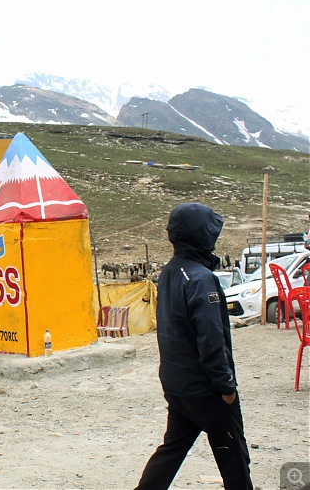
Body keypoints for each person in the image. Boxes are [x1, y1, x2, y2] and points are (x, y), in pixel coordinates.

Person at [135, 203, 252, 490]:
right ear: (203, 235)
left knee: (171, 450)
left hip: (177, 384)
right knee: (234, 459)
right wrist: (226, 386)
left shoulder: (171, 271)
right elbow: (211, 340)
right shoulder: (202, 279)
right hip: (206, 389)